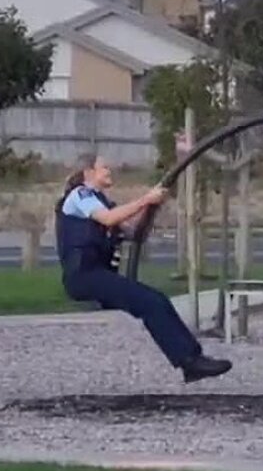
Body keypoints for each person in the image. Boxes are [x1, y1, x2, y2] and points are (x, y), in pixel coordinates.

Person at [55, 154, 232, 383]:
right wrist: (145, 200)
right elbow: (108, 219)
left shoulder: (100, 201)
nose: (110, 171)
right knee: (151, 302)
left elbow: (134, 233)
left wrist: (153, 206)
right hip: (83, 275)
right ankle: (190, 361)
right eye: (104, 167)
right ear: (88, 173)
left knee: (155, 301)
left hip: (97, 274)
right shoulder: (81, 195)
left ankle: (191, 360)